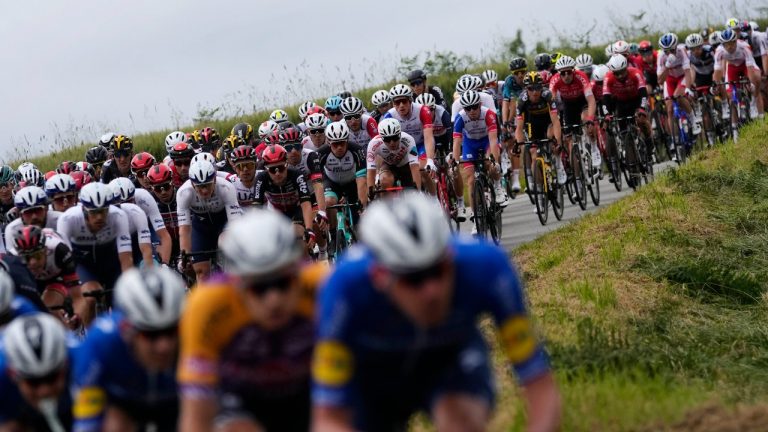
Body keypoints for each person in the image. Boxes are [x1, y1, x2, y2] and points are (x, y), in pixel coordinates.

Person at [312, 193, 561, 432]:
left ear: (450, 257)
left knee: (461, 421)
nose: (431, 291)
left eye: (438, 271)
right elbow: (327, 419)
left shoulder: (486, 267)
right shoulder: (345, 287)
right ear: (380, 277)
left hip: (449, 359)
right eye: (413, 279)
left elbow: (539, 385)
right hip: (374, 372)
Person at [178, 210, 327, 432]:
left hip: (310, 392)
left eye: (283, 283)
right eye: (259, 288)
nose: (273, 300)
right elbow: (196, 417)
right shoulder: (207, 306)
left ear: (298, 272)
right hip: (241, 403)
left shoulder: (322, 286)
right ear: (236, 284)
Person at [71, 267, 185, 432]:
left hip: (176, 401)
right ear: (127, 330)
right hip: (125, 406)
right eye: (150, 334)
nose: (164, 346)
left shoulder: (192, 333)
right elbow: (86, 423)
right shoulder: (101, 343)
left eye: (171, 331)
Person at [56, 182, 134, 325]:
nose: (99, 217)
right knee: (90, 297)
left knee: (122, 303)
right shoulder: (68, 219)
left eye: (103, 211)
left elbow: (126, 258)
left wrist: (129, 286)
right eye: (94, 212)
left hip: (111, 263)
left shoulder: (118, 216)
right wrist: (71, 292)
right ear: (84, 210)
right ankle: (89, 336)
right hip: (84, 264)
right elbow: (65, 261)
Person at [0, 313, 74, 432]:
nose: (45, 391)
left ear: (65, 365)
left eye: (51, 378)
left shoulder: (80, 357)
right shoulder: (2, 373)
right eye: (33, 382)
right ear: (12, 374)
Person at [177, 159, 242, 281]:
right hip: (201, 227)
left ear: (215, 180)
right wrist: (184, 255)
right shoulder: (183, 193)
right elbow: (184, 230)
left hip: (224, 222)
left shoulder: (226, 187)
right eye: (200, 187)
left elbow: (236, 225)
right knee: (201, 272)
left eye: (208, 184)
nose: (205, 190)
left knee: (226, 244)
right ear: (192, 184)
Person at [452, 90, 507, 223]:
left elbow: (493, 140)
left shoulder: (488, 114)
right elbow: (457, 142)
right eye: (468, 108)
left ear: (480, 104)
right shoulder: (460, 118)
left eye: (474, 107)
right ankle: (476, 217)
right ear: (464, 108)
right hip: (470, 144)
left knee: (490, 164)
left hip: (487, 141)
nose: (471, 111)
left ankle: (498, 186)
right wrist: (454, 161)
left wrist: (494, 160)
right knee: (470, 179)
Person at [11, 226, 81, 324]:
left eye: (37, 255)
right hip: (33, 282)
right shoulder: (13, 259)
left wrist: (77, 313)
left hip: (57, 277)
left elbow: (76, 294)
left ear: (45, 250)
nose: (33, 263)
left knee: (48, 308)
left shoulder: (59, 249)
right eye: (26, 258)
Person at [318, 122, 368, 244]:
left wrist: (363, 205)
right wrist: (322, 211)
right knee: (329, 201)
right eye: (335, 144)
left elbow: (362, 181)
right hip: (331, 182)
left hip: (352, 182)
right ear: (329, 142)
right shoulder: (320, 153)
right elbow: (317, 183)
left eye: (342, 143)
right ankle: (334, 236)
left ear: (347, 140)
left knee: (358, 220)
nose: (339, 147)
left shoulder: (357, 150)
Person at [383, 84, 437, 193]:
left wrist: (430, 160)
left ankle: (434, 201)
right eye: (397, 102)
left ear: (410, 100)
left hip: (421, 145)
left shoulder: (422, 110)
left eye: (404, 101)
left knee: (423, 170)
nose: (401, 105)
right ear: (393, 103)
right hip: (403, 148)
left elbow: (428, 137)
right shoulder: (389, 116)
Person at [515, 72, 563, 188]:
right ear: (526, 89)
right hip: (532, 122)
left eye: (537, 88)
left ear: (542, 87)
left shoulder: (547, 95)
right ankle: (539, 192)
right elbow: (519, 127)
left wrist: (558, 141)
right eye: (531, 89)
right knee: (533, 153)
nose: (535, 92)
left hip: (548, 121)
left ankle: (558, 164)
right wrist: (518, 144)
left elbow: (555, 122)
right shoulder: (522, 100)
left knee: (551, 137)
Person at [714, 27, 765, 121]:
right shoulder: (719, 51)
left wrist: (751, 82)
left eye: (732, 43)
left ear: (736, 41)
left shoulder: (744, 46)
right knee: (730, 96)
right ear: (723, 44)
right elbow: (717, 71)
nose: (729, 47)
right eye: (726, 44)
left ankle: (753, 102)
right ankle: (734, 128)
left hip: (745, 65)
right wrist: (715, 85)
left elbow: (750, 67)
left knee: (757, 78)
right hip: (732, 67)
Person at [366, 118, 421, 194]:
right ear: (381, 137)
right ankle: (388, 204)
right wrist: (370, 191)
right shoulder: (374, 143)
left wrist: (418, 190)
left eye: (395, 138)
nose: (392, 143)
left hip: (406, 164)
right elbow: (370, 170)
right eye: (387, 139)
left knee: (412, 191)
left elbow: (414, 166)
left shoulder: (408, 139)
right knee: (385, 180)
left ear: (400, 134)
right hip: (388, 165)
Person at [3, 186, 62, 256]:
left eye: (38, 210)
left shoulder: (60, 219)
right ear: (20, 215)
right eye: (28, 212)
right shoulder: (12, 229)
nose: (34, 216)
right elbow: (13, 261)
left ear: (46, 209)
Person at [109, 178, 154, 268]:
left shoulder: (139, 209)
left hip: (138, 237)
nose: (127, 206)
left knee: (152, 263)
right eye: (122, 203)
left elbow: (146, 250)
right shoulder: (106, 213)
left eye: (129, 201)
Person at [146, 164, 180, 262]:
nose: (163, 192)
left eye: (166, 186)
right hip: (162, 244)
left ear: (172, 182)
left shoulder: (182, 194)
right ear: (151, 188)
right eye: (158, 188)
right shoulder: (148, 200)